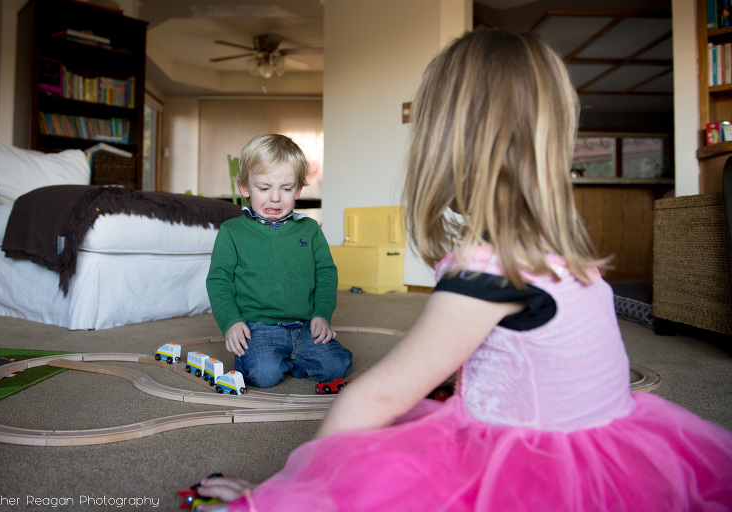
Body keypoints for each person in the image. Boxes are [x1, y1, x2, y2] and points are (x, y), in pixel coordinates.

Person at [193, 28, 732, 511]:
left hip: (539, 471)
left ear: (443, 145)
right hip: (612, 450)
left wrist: (281, 495)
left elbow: (375, 397)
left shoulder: (487, 272)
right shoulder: (554, 247)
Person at [206, 133, 352, 389]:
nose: (275, 197)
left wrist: (322, 314)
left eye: (286, 189)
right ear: (244, 187)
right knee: (264, 374)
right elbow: (219, 281)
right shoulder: (231, 231)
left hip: (305, 327)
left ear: (298, 190)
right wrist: (231, 322)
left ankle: (290, 359)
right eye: (264, 188)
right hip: (258, 328)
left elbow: (326, 273)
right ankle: (279, 360)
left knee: (337, 366)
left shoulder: (310, 229)